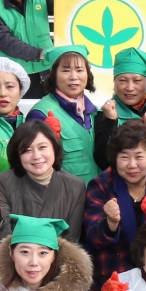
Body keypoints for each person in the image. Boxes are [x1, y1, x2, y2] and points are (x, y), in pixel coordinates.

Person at [83, 119, 146, 291]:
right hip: (113, 278)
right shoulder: (101, 185)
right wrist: (109, 223)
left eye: (139, 156)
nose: (132, 165)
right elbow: (92, 238)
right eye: (124, 157)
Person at [0, 119, 86, 254]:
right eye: (27, 150)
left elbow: (71, 241)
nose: (36, 156)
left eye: (42, 147)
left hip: (56, 266)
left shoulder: (75, 186)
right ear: (17, 155)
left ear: (54, 147)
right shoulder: (4, 182)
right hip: (13, 265)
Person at [27, 45, 101, 186]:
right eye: (66, 71)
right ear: (53, 75)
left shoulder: (95, 113)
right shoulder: (40, 114)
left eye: (79, 70)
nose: (74, 77)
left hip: (97, 199)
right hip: (64, 201)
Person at [93, 47, 146, 173]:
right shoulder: (106, 114)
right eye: (123, 81)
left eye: (137, 81)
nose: (130, 88)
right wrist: (143, 126)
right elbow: (103, 161)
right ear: (114, 83)